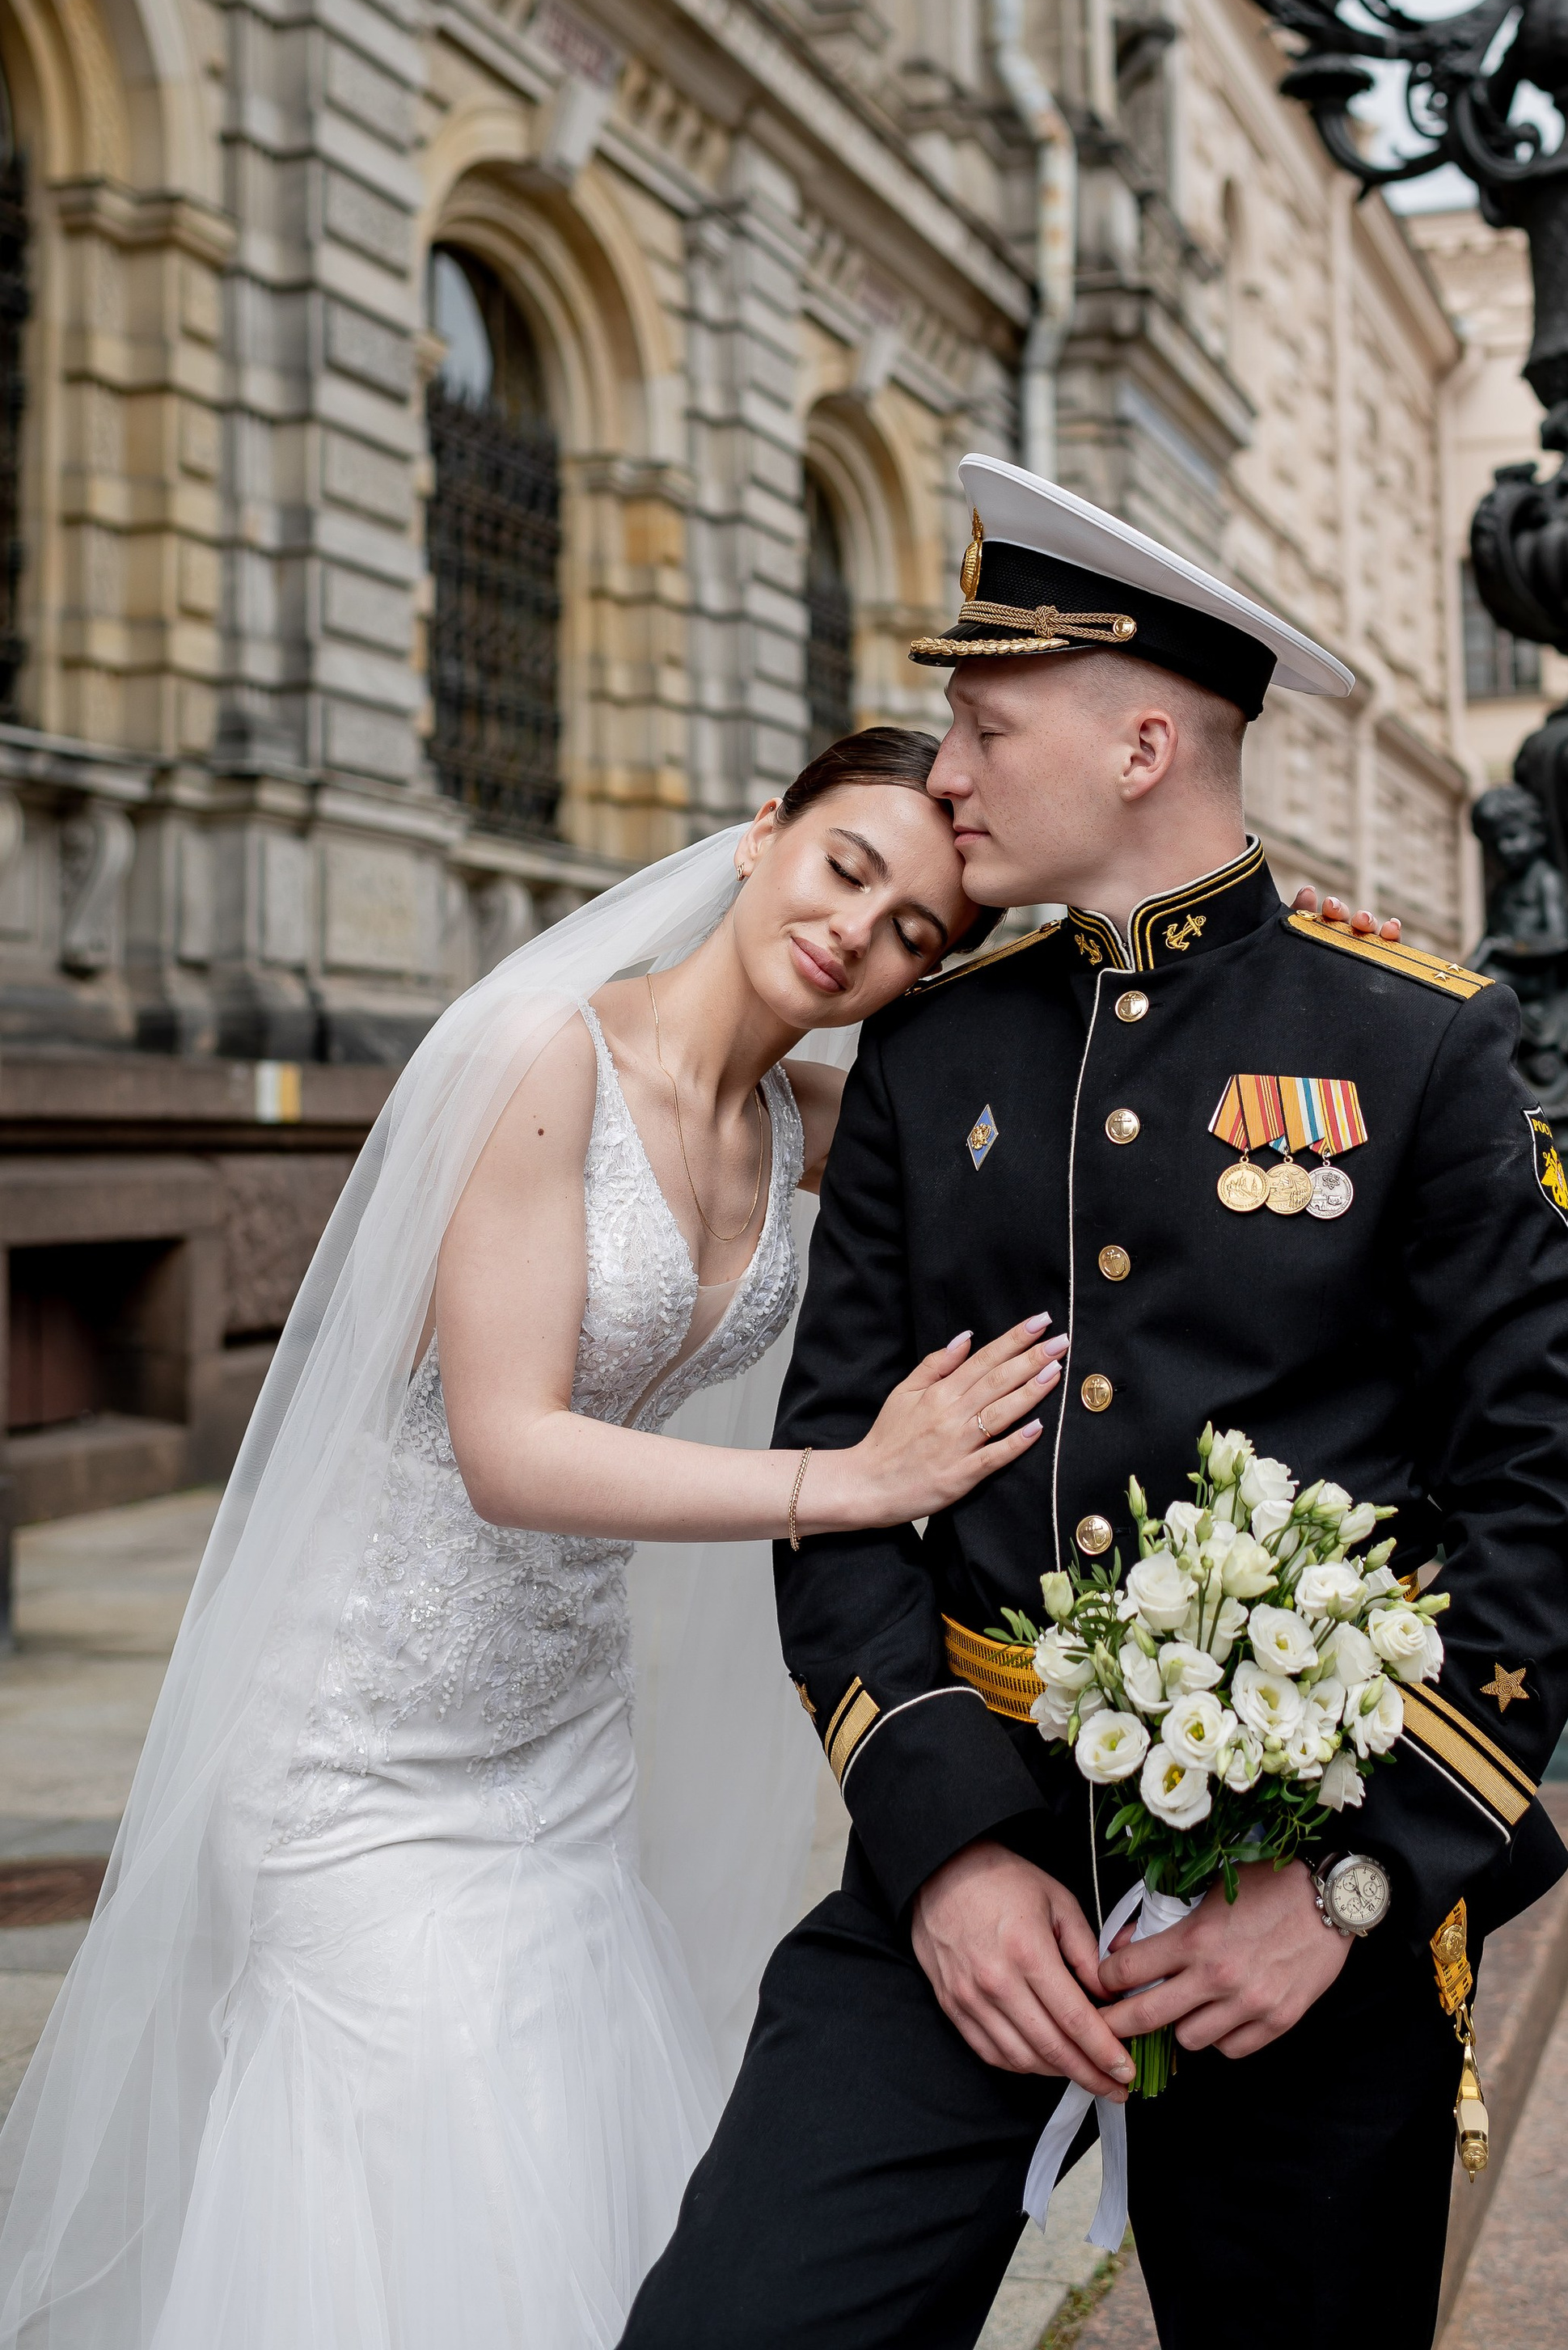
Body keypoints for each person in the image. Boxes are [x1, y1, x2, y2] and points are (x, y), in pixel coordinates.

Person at [622, 456, 1568, 2350]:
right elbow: (836, 1480)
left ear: (1145, 738)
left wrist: (1342, 1877)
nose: (945, 773)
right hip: (970, 1853)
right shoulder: (932, 1048)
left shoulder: (1409, 1037)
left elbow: (1546, 1493)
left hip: (1292, 1910)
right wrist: (943, 1846)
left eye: (985, 726)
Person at [0, 729, 1074, 2350]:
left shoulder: (801, 1117)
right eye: (846, 867)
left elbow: (1042, 1106)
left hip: (562, 1749)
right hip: (362, 1751)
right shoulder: (537, 1054)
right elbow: (508, 1449)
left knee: (572, 2183)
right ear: (759, 831)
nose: (860, 931)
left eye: (915, 929)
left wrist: (1222, 935)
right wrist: (848, 1481)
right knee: (409, 2197)